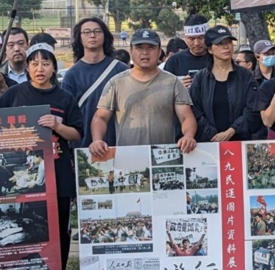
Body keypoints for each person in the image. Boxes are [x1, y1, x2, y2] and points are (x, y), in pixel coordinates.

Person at [0, 42, 83, 270]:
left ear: (54, 68)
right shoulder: (13, 95)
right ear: (27, 67)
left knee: (59, 226)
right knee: (25, 225)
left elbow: (76, 132)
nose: (40, 69)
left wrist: (57, 125)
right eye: (34, 63)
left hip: (58, 175)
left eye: (45, 63)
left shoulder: (64, 97)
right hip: (24, 180)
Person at [89, 28, 198, 156]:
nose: (145, 53)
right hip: (127, 158)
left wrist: (189, 136)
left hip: (162, 158)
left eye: (151, 48)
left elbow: (186, 117)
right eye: (139, 47)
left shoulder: (173, 82)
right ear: (131, 51)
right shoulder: (116, 83)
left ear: (159, 52)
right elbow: (100, 117)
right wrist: (97, 140)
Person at [62, 17, 129, 148]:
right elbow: (67, 114)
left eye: (97, 31)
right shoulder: (72, 75)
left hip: (118, 143)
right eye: (86, 32)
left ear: (105, 36)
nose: (92, 35)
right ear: (79, 38)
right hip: (84, 145)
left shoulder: (120, 69)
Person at [189, 26, 257, 142]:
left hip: (240, 141)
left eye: (229, 42)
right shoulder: (200, 78)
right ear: (210, 49)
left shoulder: (246, 76)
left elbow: (252, 109)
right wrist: (212, 134)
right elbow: (195, 110)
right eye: (220, 43)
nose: (226, 47)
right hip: (209, 142)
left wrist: (232, 131)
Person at [164, 14, 212, 89]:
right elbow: (164, 90)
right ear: (185, 38)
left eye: (201, 37)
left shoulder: (217, 58)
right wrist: (177, 87)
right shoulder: (174, 61)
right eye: (191, 39)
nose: (196, 43)